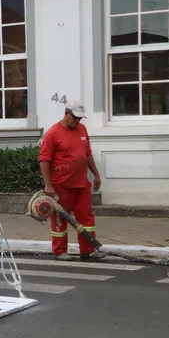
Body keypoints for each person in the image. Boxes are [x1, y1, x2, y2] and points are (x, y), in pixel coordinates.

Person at [38, 102, 105, 261]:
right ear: (66, 113)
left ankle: (87, 250)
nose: (77, 121)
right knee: (61, 219)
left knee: (87, 218)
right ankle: (60, 250)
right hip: (62, 185)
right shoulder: (53, 133)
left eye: (80, 118)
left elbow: (87, 153)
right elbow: (44, 159)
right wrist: (48, 185)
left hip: (81, 184)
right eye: (74, 117)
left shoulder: (82, 130)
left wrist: (96, 174)